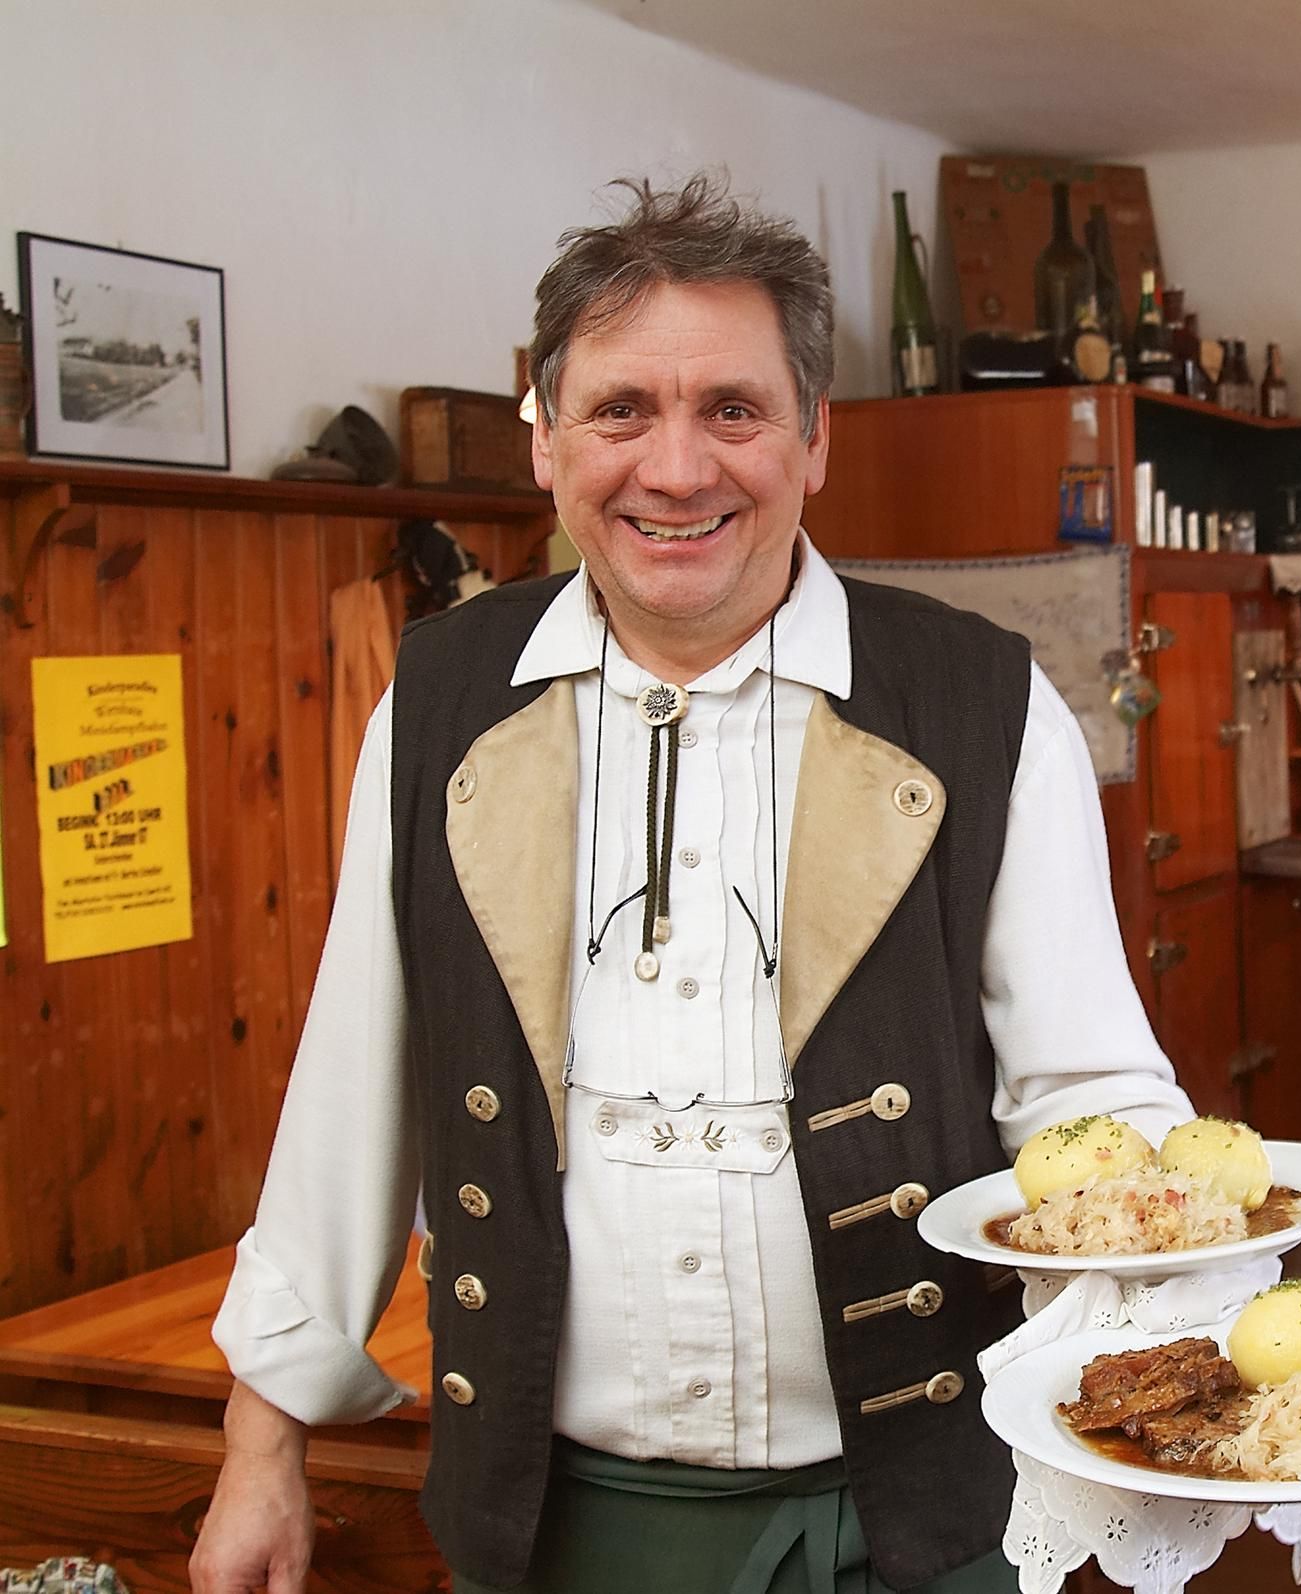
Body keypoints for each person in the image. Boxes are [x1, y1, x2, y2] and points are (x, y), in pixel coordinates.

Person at [189, 173, 1193, 1594]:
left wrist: (1184, 1337)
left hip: (914, 1522)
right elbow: (356, 1076)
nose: (675, 470)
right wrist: (262, 1438)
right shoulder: (440, 700)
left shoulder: (978, 698)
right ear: (544, 438)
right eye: (620, 410)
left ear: (815, 436)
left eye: (732, 409)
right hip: (550, 1524)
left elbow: (1084, 1094)